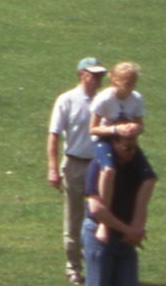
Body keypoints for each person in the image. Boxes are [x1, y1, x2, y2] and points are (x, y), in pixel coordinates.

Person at [49, 58, 110, 285]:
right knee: (74, 219)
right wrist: (53, 168)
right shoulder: (67, 100)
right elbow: (53, 134)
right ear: (82, 75)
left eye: (101, 76)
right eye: (94, 75)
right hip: (74, 164)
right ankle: (73, 268)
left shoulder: (105, 102)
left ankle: (97, 264)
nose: (98, 80)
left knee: (99, 216)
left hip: (100, 166)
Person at [83, 131, 157, 286]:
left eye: (135, 147)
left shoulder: (135, 169)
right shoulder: (97, 166)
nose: (132, 152)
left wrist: (136, 229)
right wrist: (128, 230)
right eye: (126, 147)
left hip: (125, 240)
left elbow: (144, 196)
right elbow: (96, 209)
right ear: (113, 144)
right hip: (100, 239)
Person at [90, 62, 143, 142]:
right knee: (106, 154)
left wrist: (136, 128)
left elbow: (141, 127)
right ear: (115, 82)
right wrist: (115, 129)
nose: (132, 88)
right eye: (127, 84)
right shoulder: (104, 98)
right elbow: (93, 129)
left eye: (133, 83)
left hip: (125, 140)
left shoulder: (136, 98)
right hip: (104, 139)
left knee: (139, 155)